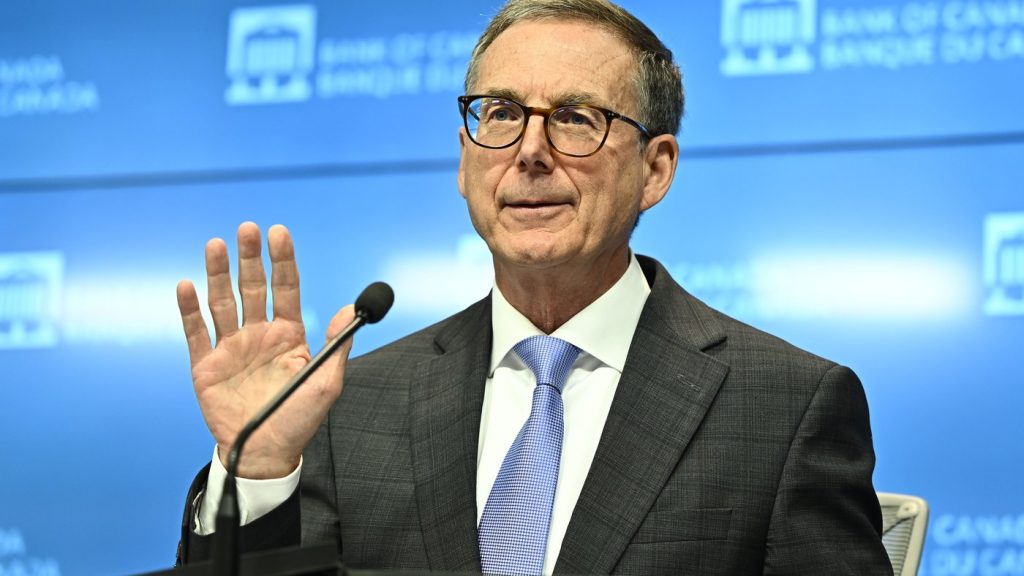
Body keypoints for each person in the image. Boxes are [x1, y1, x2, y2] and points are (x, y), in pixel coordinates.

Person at [175, 0, 893, 574]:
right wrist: (261, 469)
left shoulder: (787, 406)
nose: (530, 153)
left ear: (656, 169)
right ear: (465, 161)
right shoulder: (344, 405)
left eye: (577, 119)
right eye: (503, 114)